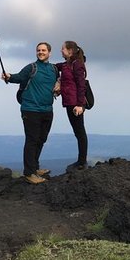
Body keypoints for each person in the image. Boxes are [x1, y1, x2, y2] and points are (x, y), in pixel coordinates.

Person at [1, 42, 58, 184]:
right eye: (38, 50)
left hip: (47, 110)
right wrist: (8, 76)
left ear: (49, 52)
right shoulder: (32, 67)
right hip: (30, 109)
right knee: (32, 140)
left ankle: (35, 167)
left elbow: (58, 81)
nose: (41, 52)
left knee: (41, 139)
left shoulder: (54, 69)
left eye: (43, 50)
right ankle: (29, 173)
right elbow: (19, 77)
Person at [56, 40, 89, 170]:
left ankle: (82, 162)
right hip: (69, 103)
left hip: (76, 104)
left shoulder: (77, 64)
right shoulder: (67, 64)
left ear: (70, 51)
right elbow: (55, 67)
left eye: (62, 49)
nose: (61, 51)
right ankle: (81, 161)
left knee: (80, 131)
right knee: (78, 131)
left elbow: (81, 85)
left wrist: (80, 105)